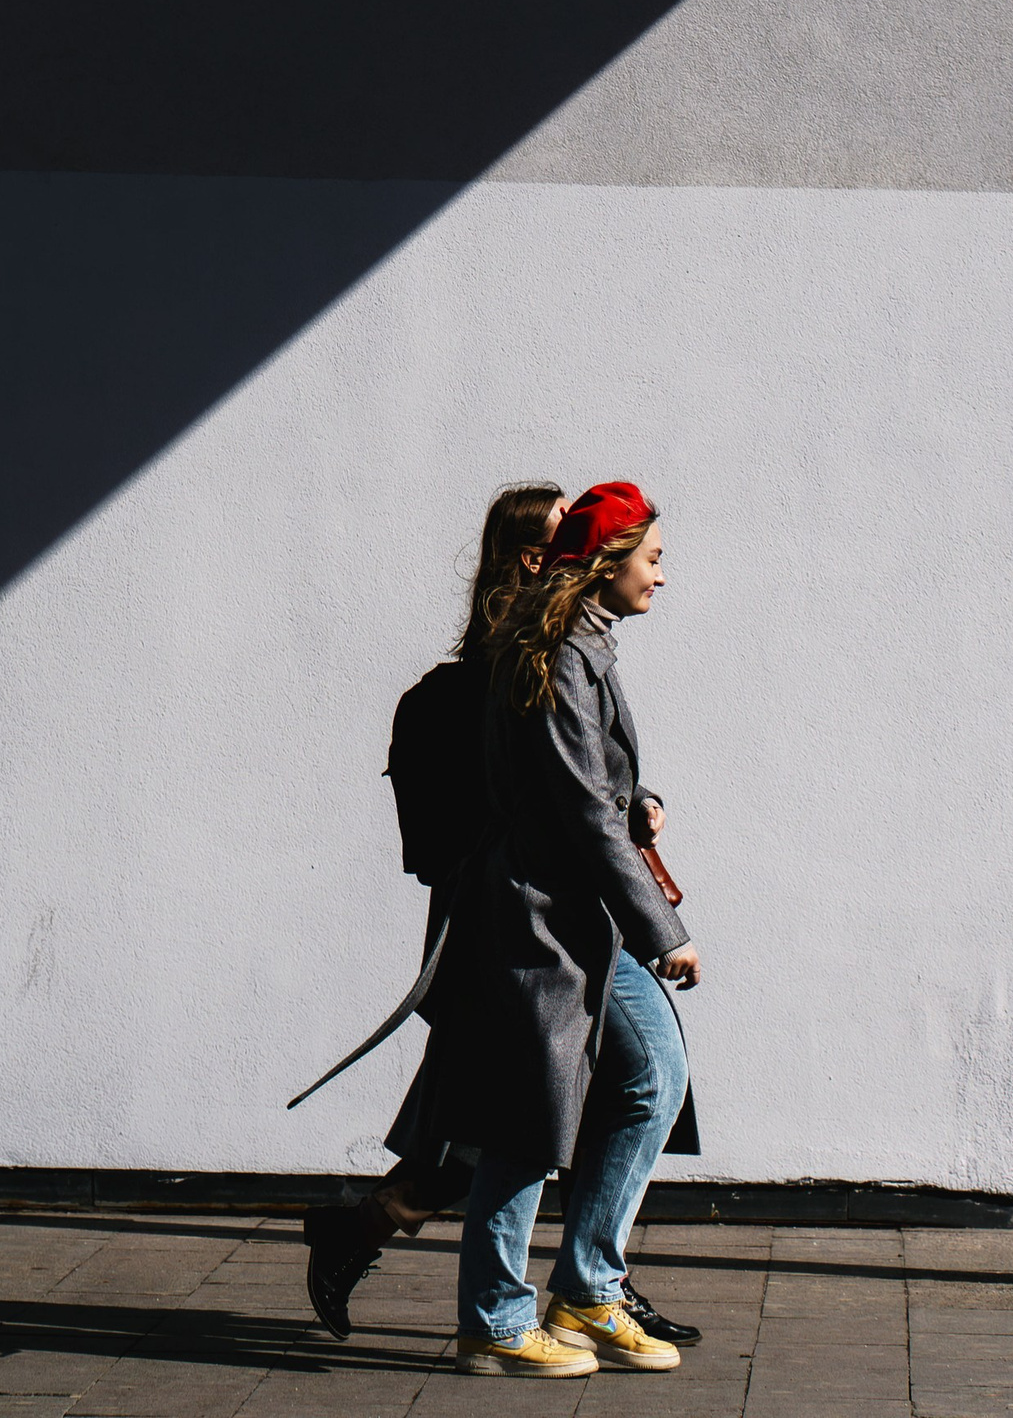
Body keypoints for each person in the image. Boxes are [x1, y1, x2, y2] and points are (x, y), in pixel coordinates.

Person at [391, 481, 704, 1376]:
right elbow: (575, 808)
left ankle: (587, 1288)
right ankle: (494, 1319)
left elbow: (587, 786)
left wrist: (634, 799)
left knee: (653, 1074)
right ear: (607, 564)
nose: (662, 576)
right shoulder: (561, 650)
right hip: (538, 916)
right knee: (529, 1117)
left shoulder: (582, 646)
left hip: (580, 914)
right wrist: (665, 929)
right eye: (651, 558)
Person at [302, 485, 564, 1338]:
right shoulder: (490, 685)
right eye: (567, 533)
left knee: (497, 1124)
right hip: (503, 932)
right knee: (494, 1130)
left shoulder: (541, 663)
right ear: (531, 556)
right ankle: (552, 1295)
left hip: (529, 931)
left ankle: (360, 1229)